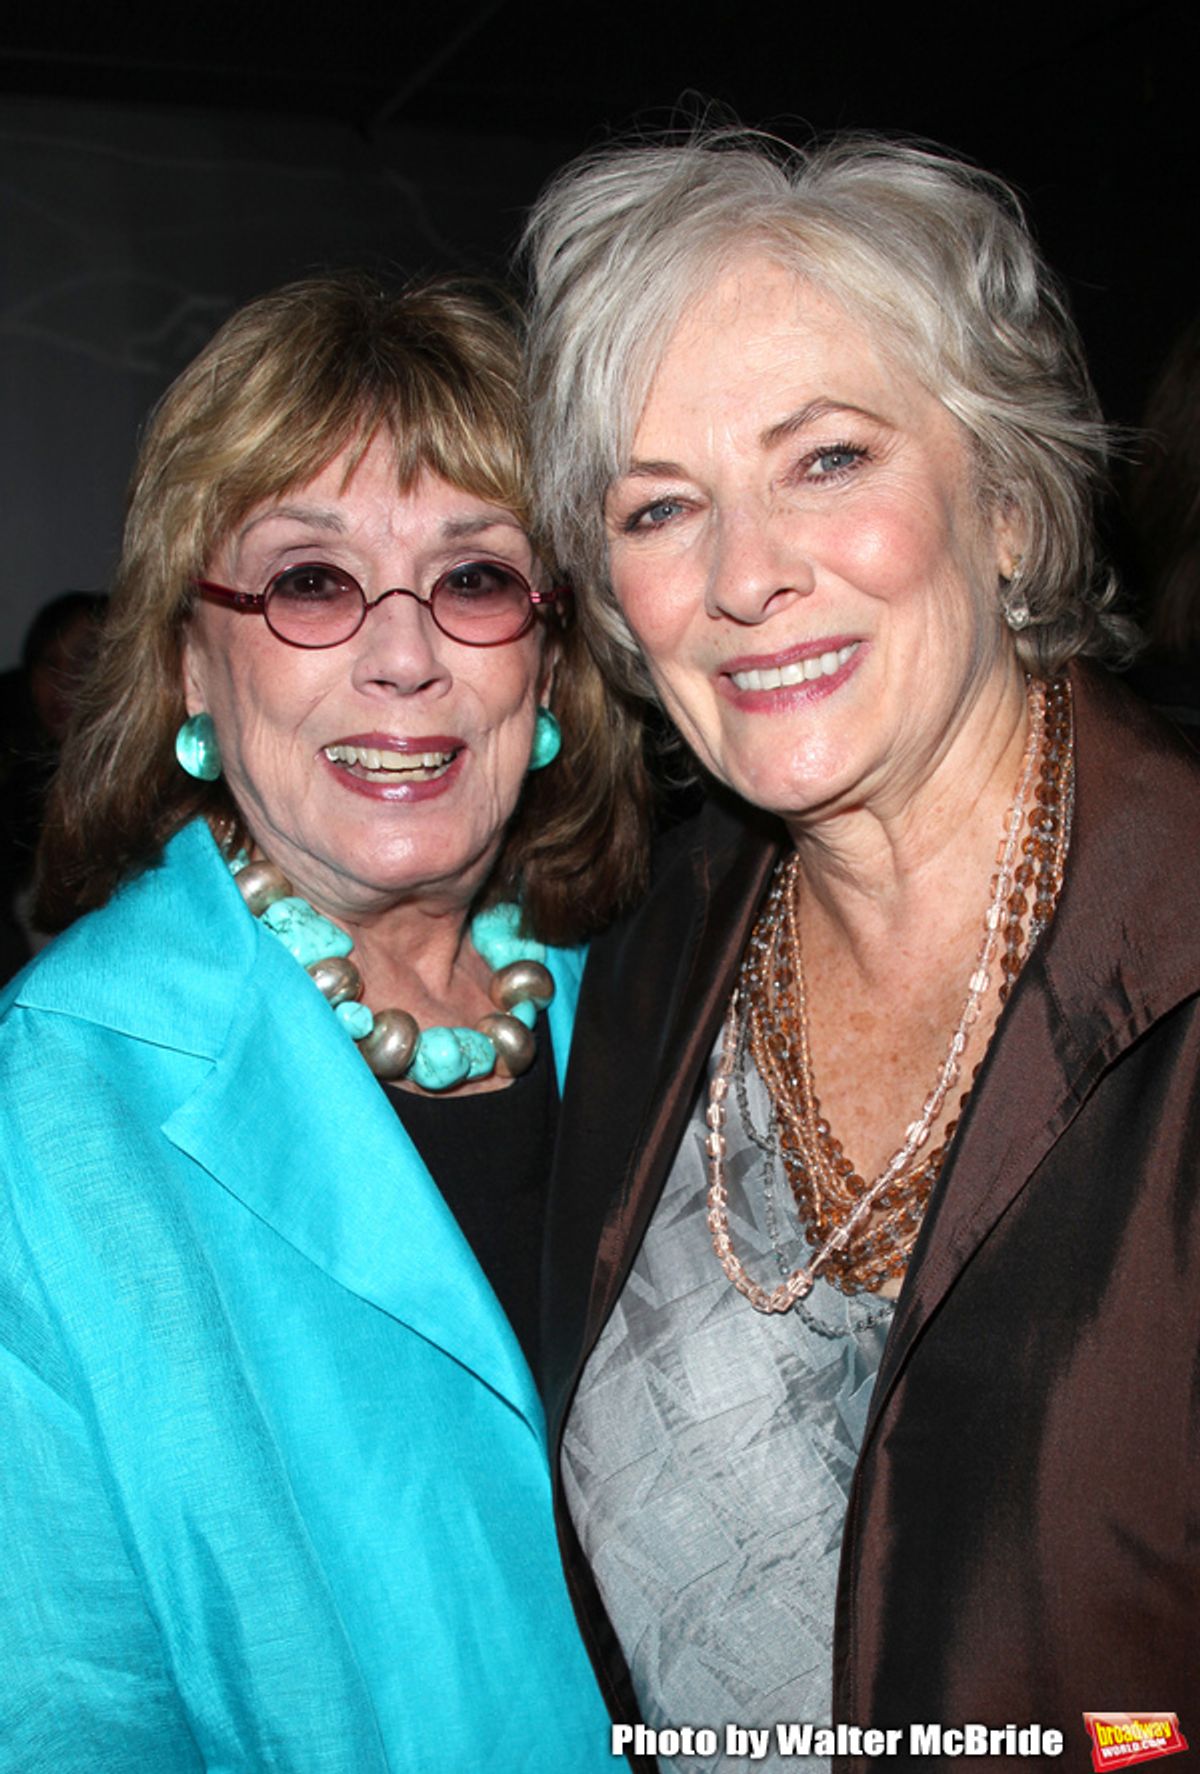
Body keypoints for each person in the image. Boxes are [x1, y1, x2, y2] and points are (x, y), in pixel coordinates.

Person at [524, 133, 1200, 1768]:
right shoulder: (651, 953)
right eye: (663, 505)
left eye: (827, 459)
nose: (746, 575)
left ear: (1014, 506)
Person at [0, 274, 647, 1772]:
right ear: (186, 663)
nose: (405, 654)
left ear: (545, 661)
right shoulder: (59, 1096)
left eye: (475, 578)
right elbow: (65, 1705)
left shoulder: (667, 1002)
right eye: (309, 580)